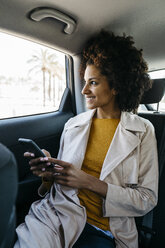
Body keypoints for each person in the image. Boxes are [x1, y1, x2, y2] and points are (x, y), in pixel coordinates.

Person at [14, 30, 158, 248]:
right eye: (84, 82)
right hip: (56, 216)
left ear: (116, 85)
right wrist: (48, 174)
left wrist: (89, 182)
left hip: (104, 228)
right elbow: (64, 180)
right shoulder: (73, 124)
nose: (83, 90)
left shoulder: (143, 130)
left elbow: (146, 199)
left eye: (93, 83)